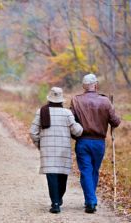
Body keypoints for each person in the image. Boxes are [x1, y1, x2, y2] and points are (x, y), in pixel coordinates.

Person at [70, 74, 121, 213]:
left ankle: (90, 200)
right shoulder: (105, 101)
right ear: (96, 85)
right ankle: (91, 201)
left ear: (83, 86)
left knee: (86, 171)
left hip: (82, 141)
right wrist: (112, 111)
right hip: (99, 143)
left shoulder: (76, 100)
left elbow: (71, 121)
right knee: (93, 171)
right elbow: (115, 122)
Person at [29, 87, 83, 214]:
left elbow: (33, 132)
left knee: (51, 176)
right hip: (63, 150)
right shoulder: (67, 113)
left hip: (47, 150)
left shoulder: (41, 112)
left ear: (49, 99)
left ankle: (55, 202)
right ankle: (57, 200)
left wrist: (40, 144)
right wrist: (80, 124)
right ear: (61, 100)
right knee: (62, 176)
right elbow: (77, 131)